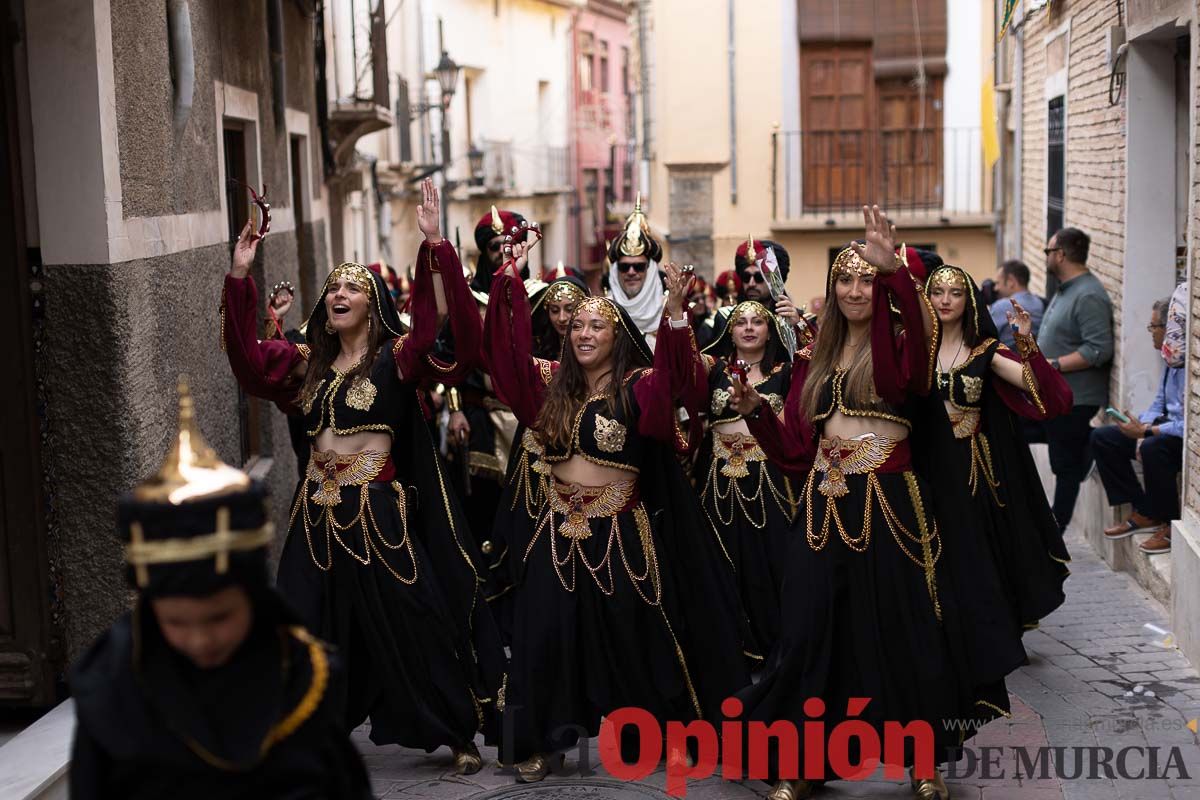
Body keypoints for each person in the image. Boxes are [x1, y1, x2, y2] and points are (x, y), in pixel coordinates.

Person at [728, 209, 1024, 800]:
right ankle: (803, 761)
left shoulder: (898, 348)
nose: (856, 289)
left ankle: (921, 762)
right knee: (810, 633)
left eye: (866, 279)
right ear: (833, 290)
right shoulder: (813, 358)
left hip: (892, 506)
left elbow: (903, 381)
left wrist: (896, 276)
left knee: (902, 628)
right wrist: (757, 412)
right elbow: (793, 454)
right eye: (847, 279)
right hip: (822, 508)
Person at [221, 178, 504, 773]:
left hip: (378, 513)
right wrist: (239, 276)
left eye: (353, 287)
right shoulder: (308, 362)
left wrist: (435, 248)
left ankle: (454, 729)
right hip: (316, 512)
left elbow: (443, 336)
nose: (339, 293)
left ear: (373, 303)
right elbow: (249, 364)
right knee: (297, 621)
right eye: (333, 288)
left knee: (414, 617)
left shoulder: (397, 358)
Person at [485, 245, 749, 781]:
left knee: (637, 636)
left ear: (617, 337)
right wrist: (508, 285)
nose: (583, 333)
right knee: (545, 637)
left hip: (621, 536)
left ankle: (663, 735)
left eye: (595, 327)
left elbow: (671, 392)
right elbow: (503, 363)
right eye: (576, 326)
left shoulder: (637, 387)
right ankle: (540, 742)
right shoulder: (550, 388)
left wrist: (675, 314)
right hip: (557, 533)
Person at [69, 380, 371, 799]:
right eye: (176, 622)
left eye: (219, 617)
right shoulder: (112, 687)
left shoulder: (301, 677)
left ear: (255, 599)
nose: (200, 639)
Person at [925, 265, 1072, 629]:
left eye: (955, 293)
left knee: (977, 545)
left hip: (972, 468)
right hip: (926, 466)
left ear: (969, 300)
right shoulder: (913, 350)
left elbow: (1044, 391)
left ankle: (987, 624)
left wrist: (1026, 343)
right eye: (938, 291)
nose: (945, 300)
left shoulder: (986, 352)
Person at [683, 300, 799, 662]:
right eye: (740, 322)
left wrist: (801, 323)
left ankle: (780, 645)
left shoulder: (786, 372)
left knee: (773, 561)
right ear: (729, 331)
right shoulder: (714, 369)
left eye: (757, 322)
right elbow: (679, 368)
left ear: (770, 330)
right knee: (723, 561)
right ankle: (732, 646)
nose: (749, 328)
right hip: (719, 484)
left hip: (771, 483)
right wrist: (676, 312)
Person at [1036, 227, 1114, 533]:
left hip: (1076, 398)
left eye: (1048, 251)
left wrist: (1053, 365)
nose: (1046, 257)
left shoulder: (1089, 294)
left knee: (1066, 467)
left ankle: (1056, 529)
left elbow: (1099, 348)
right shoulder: (1066, 288)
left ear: (1060, 254)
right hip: (1056, 397)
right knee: (1059, 460)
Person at [1093, 295, 1184, 554]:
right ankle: (1144, 510)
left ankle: (1169, 523)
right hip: (1163, 426)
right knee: (1104, 438)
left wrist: (1146, 432)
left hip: (1180, 436)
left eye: (1154, 327)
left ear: (1170, 328)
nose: (1151, 333)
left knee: (1153, 448)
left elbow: (1185, 425)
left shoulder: (1188, 361)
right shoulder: (1170, 358)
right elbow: (1159, 403)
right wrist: (1139, 425)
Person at [607, 195, 667, 350]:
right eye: (624, 267)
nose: (631, 272)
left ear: (650, 269)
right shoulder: (604, 309)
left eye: (639, 266)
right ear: (616, 270)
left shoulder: (669, 309)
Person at [990, 260, 1045, 349]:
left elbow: (983, 338)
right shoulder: (1039, 303)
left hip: (1007, 360)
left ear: (1011, 281)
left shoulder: (1001, 306)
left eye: (997, 283)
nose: (996, 288)